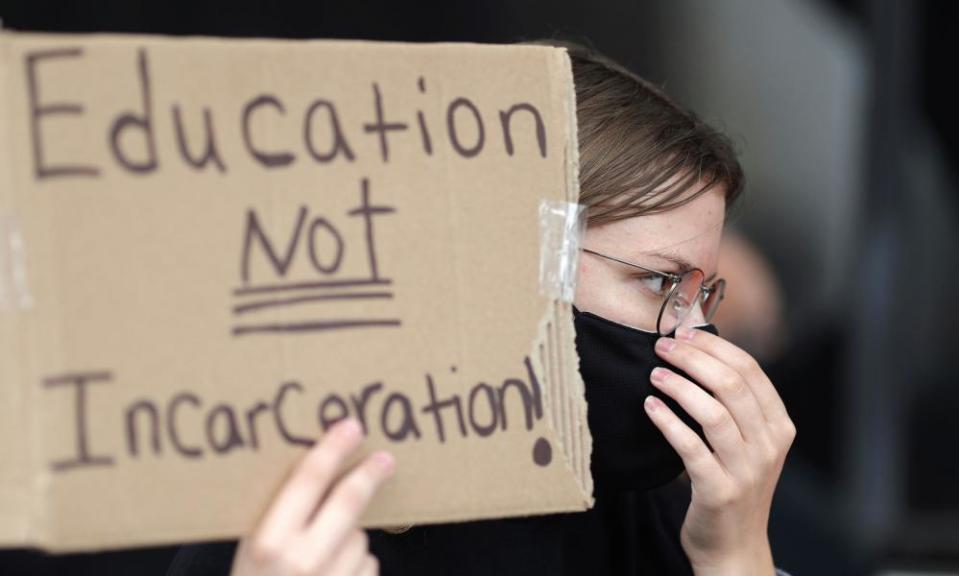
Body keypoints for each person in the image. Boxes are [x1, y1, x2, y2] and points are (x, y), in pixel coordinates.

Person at [167, 41, 796, 576]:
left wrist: (736, 555)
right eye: (661, 286)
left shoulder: (643, 508)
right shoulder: (297, 522)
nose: (699, 333)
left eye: (703, 294)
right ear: (504, 264)